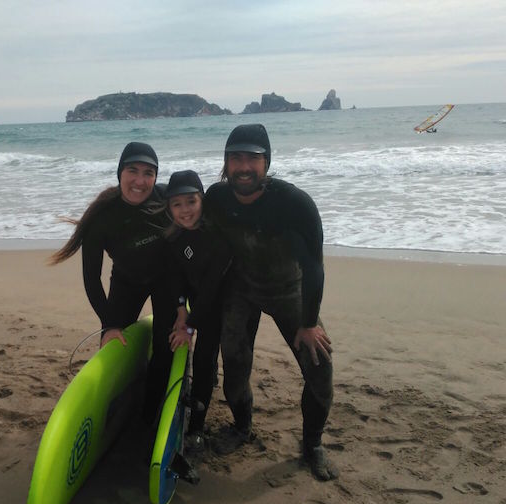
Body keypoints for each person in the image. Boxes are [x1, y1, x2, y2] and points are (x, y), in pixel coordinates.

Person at [203, 124, 337, 480]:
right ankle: (241, 426)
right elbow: (191, 227)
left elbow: (315, 267)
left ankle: (312, 445)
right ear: (225, 163)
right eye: (235, 158)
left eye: (253, 158)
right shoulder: (217, 198)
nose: (244, 167)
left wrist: (309, 323)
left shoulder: (294, 204)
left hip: (289, 290)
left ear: (267, 162)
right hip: (241, 288)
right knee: (234, 364)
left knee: (320, 368)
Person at [49, 142, 177, 424]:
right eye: (133, 170)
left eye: (148, 173)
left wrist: (184, 304)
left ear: (156, 177)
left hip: (166, 280)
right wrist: (109, 324)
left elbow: (197, 210)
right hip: (127, 281)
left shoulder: (167, 198)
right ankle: (108, 407)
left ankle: (151, 415)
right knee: (112, 343)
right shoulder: (103, 216)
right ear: (120, 172)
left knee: (164, 347)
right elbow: (91, 278)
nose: (140, 181)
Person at [163, 170, 232, 449]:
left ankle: (197, 429)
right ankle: (204, 380)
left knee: (204, 358)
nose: (185, 210)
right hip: (196, 302)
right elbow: (175, 278)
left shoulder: (217, 236)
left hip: (221, 305)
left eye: (191, 201)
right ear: (169, 208)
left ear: (202, 200)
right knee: (197, 353)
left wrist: (190, 327)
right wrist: (181, 310)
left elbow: (212, 286)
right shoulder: (174, 238)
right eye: (177, 204)